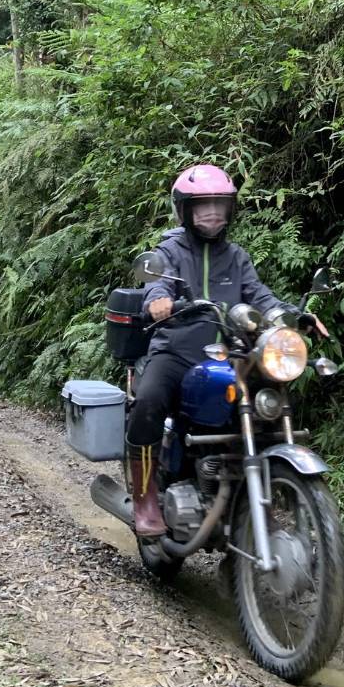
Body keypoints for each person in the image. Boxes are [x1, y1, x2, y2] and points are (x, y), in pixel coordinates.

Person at [125, 163, 285, 538]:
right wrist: (160, 300)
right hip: (177, 351)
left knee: (266, 408)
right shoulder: (169, 250)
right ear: (185, 210)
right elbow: (157, 285)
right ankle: (146, 496)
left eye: (220, 204)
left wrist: (287, 314)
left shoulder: (237, 256)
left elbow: (258, 295)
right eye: (203, 205)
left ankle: (252, 503)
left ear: (231, 210)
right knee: (148, 402)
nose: (212, 211)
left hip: (229, 355)